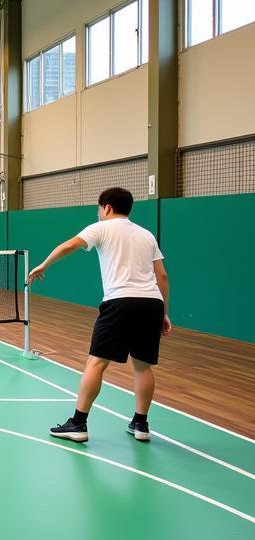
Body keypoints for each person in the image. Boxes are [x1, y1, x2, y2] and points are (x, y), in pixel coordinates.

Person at [27, 186, 171, 443]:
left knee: (96, 363)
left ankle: (78, 423)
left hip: (121, 302)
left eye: (99, 209)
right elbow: (162, 275)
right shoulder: (147, 235)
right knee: (143, 366)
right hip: (152, 304)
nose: (98, 213)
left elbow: (70, 245)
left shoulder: (101, 228)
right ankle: (141, 424)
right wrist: (164, 313)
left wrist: (43, 265)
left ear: (107, 207)